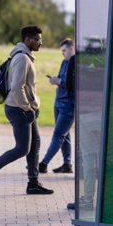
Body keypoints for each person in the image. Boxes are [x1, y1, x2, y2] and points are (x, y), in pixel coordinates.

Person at [0, 25, 53, 195]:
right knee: (22, 148)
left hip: (24, 108)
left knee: (35, 144)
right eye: (38, 39)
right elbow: (17, 87)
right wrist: (27, 108)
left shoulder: (24, 57)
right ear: (27, 40)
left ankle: (33, 183)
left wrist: (32, 105)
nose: (40, 42)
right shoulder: (22, 59)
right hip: (18, 109)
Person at [39, 38, 75, 174]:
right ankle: (67, 165)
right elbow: (64, 80)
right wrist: (57, 80)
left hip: (68, 106)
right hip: (58, 102)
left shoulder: (77, 63)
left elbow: (75, 84)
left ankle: (43, 163)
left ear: (72, 49)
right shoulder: (64, 62)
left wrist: (59, 81)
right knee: (64, 136)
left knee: (58, 135)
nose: (62, 53)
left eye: (64, 50)